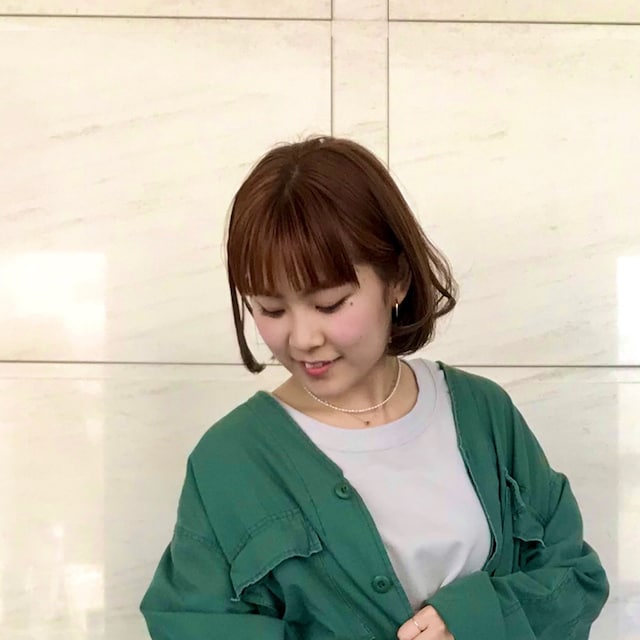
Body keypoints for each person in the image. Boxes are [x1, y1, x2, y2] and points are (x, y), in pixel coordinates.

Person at [140, 135, 609, 640]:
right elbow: (192, 625)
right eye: (271, 309)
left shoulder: (484, 414)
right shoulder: (229, 461)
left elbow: (574, 580)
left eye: (329, 303)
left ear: (397, 279)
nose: (302, 338)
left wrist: (474, 619)